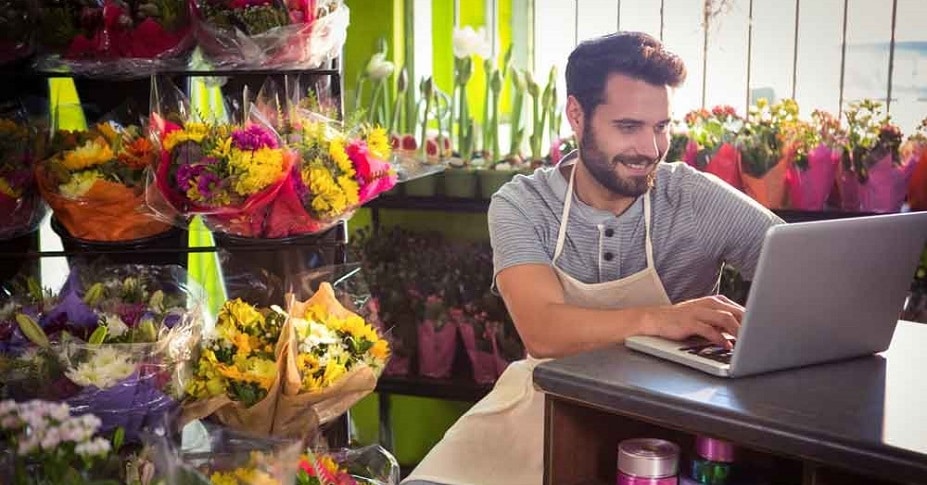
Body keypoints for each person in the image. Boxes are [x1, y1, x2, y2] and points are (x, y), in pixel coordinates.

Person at [404, 31, 783, 485]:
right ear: (577, 116)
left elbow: (808, 271)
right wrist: (662, 320)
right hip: (543, 413)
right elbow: (543, 331)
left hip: (668, 426)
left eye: (661, 127)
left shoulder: (695, 198)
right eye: (628, 127)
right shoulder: (523, 205)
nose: (650, 148)